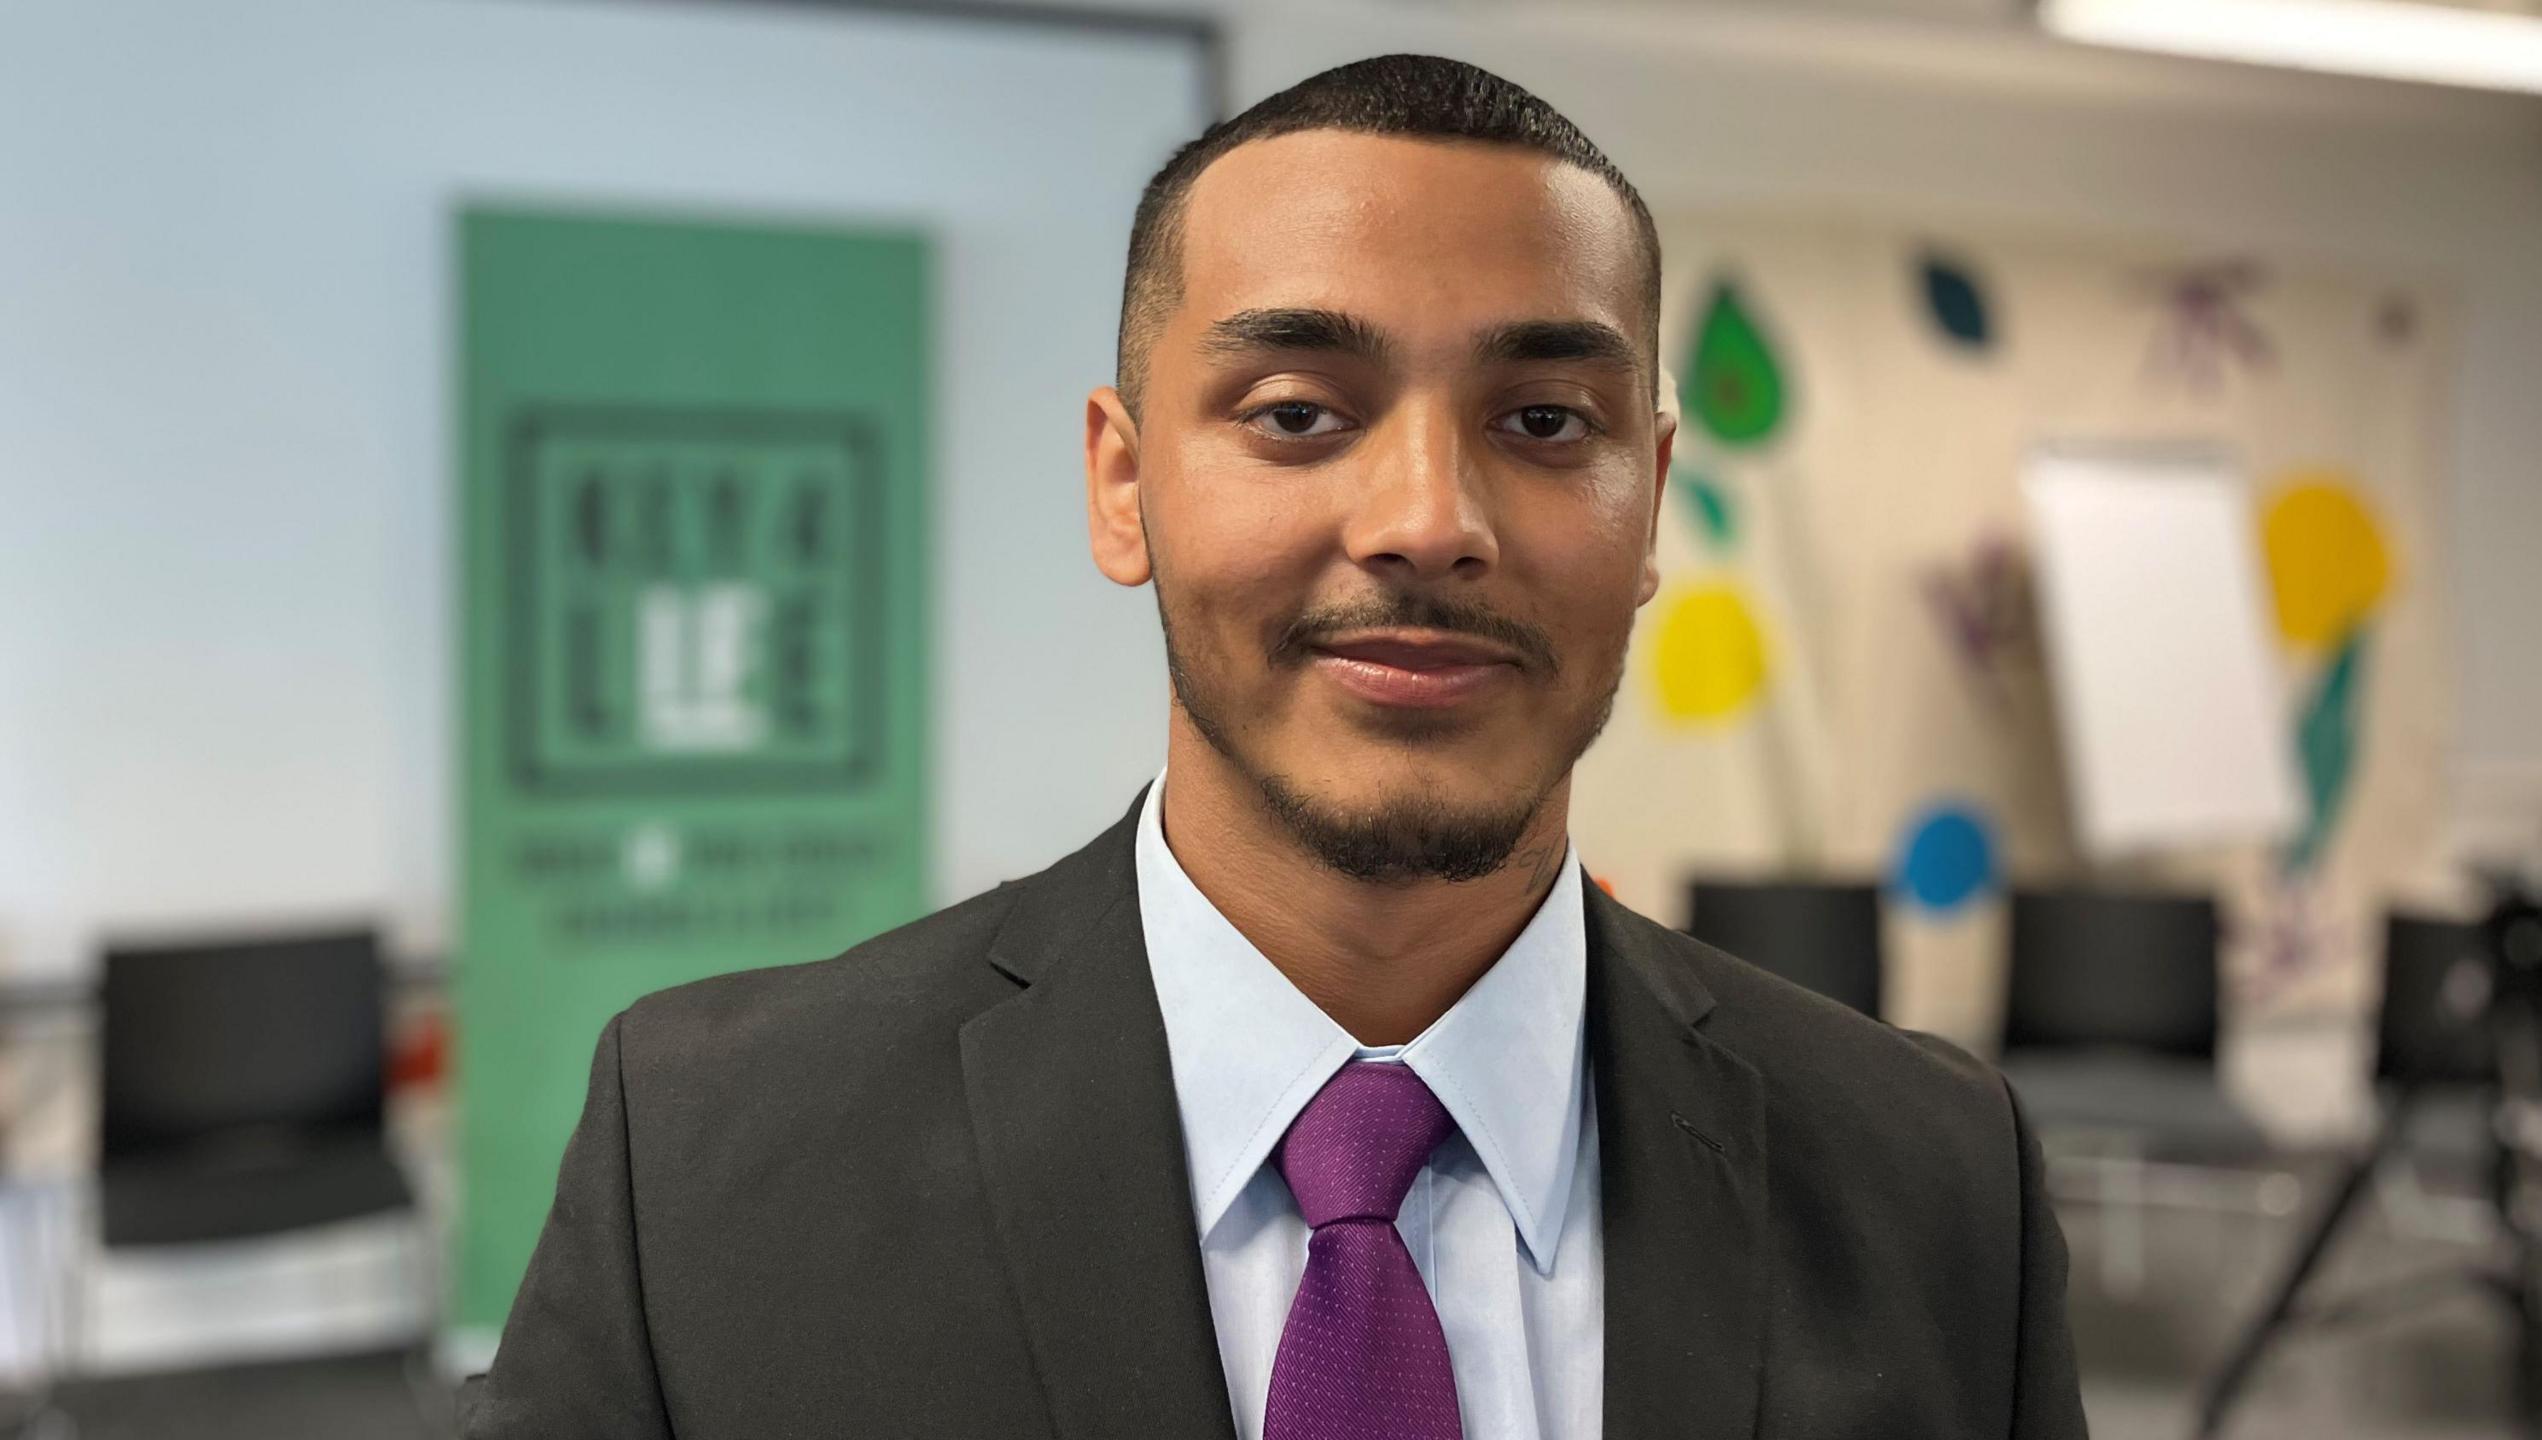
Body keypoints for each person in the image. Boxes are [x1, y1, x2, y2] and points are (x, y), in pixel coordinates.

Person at [462, 53, 2087, 1440]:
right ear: (1123, 484)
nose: (1428, 523)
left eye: (1543, 423)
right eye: (1300, 412)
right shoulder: (703, 1168)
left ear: (1651, 497)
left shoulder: (1942, 1188)